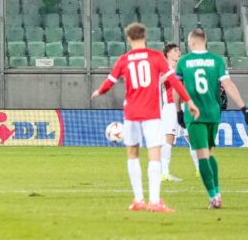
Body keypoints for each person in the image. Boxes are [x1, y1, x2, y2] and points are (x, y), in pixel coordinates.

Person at [91, 23, 199, 213]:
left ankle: (139, 200)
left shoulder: (124, 59)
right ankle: (155, 201)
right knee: (154, 154)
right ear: (145, 37)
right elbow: (174, 80)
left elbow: (110, 81)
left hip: (131, 112)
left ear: (128, 39)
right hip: (151, 112)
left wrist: (99, 91)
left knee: (132, 154)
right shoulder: (156, 56)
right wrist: (188, 101)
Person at [177, 28, 248, 209]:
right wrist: (243, 107)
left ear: (192, 42)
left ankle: (214, 197)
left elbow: (179, 88)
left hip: (194, 114)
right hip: (213, 113)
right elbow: (228, 84)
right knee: (210, 153)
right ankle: (217, 192)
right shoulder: (217, 61)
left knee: (201, 156)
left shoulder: (184, 61)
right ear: (205, 41)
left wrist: (178, 110)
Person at [159, 43, 198, 183]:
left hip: (184, 107)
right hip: (170, 107)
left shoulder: (183, 68)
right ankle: (165, 172)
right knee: (168, 138)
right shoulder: (164, 68)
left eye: (179, 51)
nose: (179, 53)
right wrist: (170, 72)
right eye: (176, 51)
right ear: (168, 54)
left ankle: (199, 170)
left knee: (192, 138)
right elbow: (159, 82)